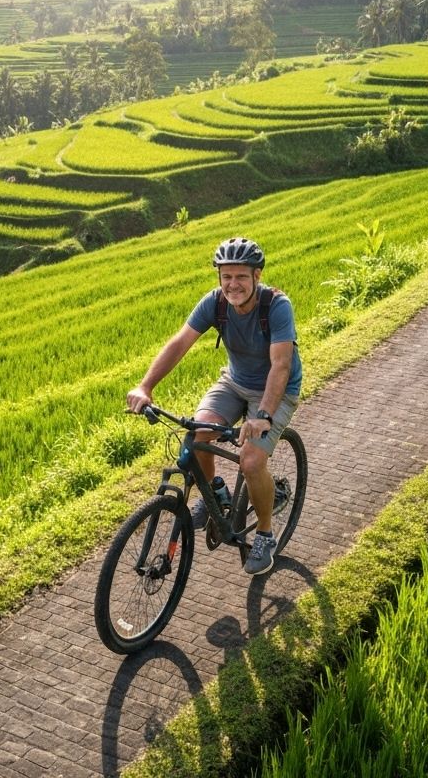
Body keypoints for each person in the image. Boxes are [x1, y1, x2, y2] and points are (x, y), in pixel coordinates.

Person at [126, 236, 302, 576]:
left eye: (241, 276)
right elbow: (180, 343)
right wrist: (146, 386)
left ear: (257, 276)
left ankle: (265, 534)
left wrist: (263, 415)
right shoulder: (215, 303)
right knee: (198, 433)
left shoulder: (277, 306)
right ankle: (216, 496)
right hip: (234, 382)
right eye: (226, 277)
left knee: (251, 461)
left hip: (274, 390)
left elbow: (280, 366)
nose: (232, 284)